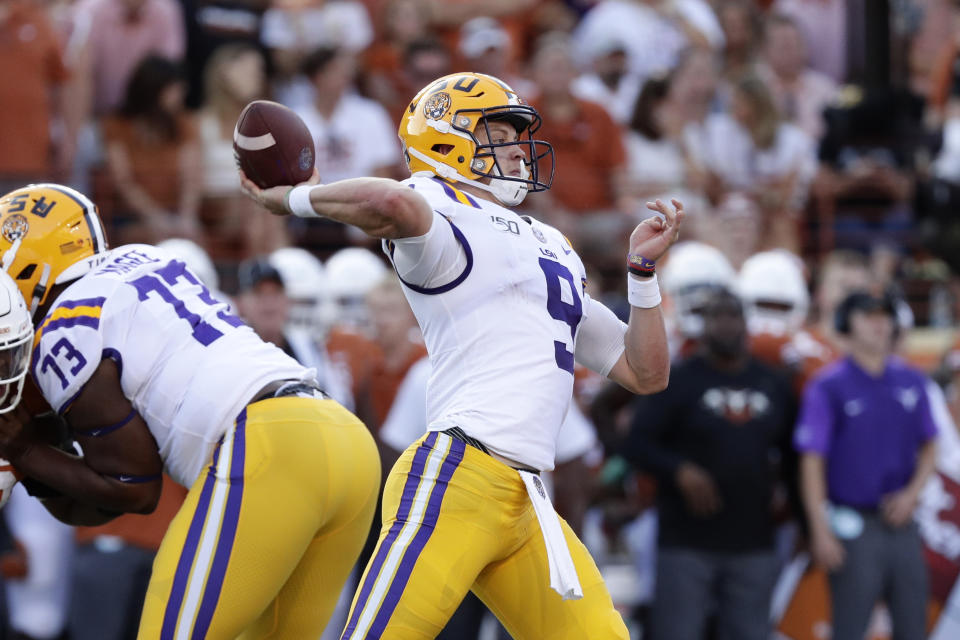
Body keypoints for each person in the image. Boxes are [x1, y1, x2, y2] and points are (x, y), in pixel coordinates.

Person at [241, 71, 684, 639]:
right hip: (459, 476)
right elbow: (385, 200)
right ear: (447, 139)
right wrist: (293, 199)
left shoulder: (550, 243)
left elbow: (645, 372)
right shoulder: (437, 206)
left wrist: (641, 275)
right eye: (499, 133)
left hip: (525, 500)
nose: (517, 151)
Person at [0, 183, 380, 639]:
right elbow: (102, 491)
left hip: (272, 448)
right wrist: (42, 463)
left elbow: (133, 489)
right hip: (345, 441)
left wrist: (23, 450)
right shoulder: (147, 258)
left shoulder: (67, 325)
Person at [622, 288, 795, 640]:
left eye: (734, 315)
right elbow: (635, 443)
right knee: (678, 632)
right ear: (702, 326)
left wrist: (802, 520)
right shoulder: (678, 380)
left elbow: (794, 458)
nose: (726, 325)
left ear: (746, 323)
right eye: (717, 316)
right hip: (685, 540)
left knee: (750, 633)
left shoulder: (774, 383)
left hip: (754, 540)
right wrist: (679, 470)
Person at [794, 290, 938, 640]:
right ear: (847, 323)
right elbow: (812, 460)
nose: (878, 323)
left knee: (913, 624)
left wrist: (912, 495)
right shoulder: (828, 385)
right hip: (852, 523)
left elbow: (930, 444)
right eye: (867, 315)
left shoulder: (912, 380)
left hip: (902, 521)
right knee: (849, 625)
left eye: (885, 315)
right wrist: (819, 528)